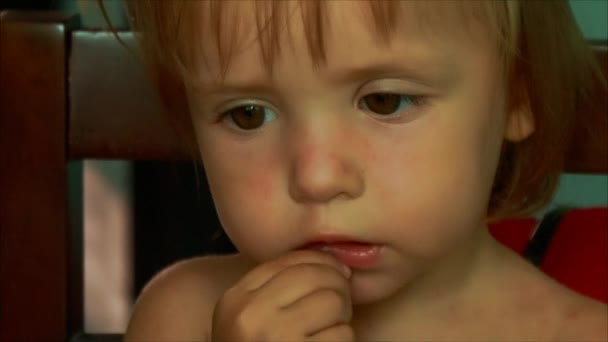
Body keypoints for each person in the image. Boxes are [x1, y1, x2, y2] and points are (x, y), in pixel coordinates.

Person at [123, 1, 607, 341]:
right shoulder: (184, 319)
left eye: (384, 101)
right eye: (248, 114)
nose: (317, 178)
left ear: (516, 97)